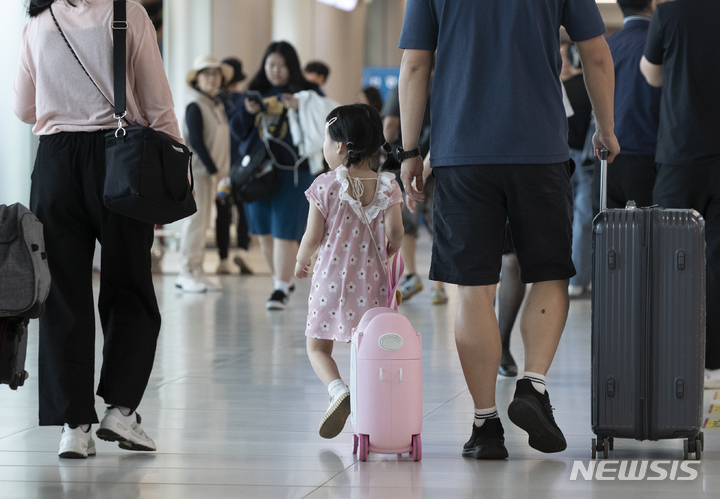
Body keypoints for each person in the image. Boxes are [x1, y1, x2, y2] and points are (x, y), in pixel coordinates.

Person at [398, 0, 619, 459]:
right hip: (539, 148)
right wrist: (606, 128)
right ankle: (532, 385)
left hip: (461, 152)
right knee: (549, 273)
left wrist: (409, 150)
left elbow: (416, 63)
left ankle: (485, 427)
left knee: (474, 289)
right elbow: (595, 53)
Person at [13, 0, 182, 458]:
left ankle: (74, 427)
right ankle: (121, 412)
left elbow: (23, 108)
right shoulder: (126, 13)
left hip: (54, 166)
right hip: (122, 159)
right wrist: (170, 180)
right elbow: (156, 102)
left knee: (62, 292)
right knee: (129, 285)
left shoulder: (38, 20)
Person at [295, 104, 404, 439]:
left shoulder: (325, 184)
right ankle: (370, 407)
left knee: (317, 347)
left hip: (329, 282)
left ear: (340, 146)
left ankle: (337, 389)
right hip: (370, 286)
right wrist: (390, 249)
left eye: (327, 141)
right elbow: (397, 231)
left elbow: (313, 236)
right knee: (366, 348)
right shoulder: (387, 186)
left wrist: (301, 260)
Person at [641, 0, 720, 388]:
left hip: (680, 154)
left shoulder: (670, 14)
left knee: (674, 259)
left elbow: (651, 75)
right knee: (717, 263)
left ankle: (676, 357)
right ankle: (714, 363)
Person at [232, 41, 338, 310]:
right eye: (271, 65)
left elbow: (323, 124)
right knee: (263, 231)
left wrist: (299, 107)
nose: (276, 71)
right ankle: (280, 280)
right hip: (257, 173)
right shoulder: (255, 94)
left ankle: (280, 288)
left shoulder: (307, 93)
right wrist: (247, 112)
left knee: (284, 231)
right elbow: (237, 131)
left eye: (281, 65)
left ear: (292, 66)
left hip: (294, 172)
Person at [591, 0, 662, 217]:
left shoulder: (607, 47)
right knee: (651, 244)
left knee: (610, 243)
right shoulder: (661, 45)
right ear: (654, 3)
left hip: (607, 160)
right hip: (650, 157)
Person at [381, 83, 444, 303]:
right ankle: (439, 286)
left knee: (404, 222)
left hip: (404, 161)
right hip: (440, 162)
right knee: (438, 223)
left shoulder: (402, 88)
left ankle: (411, 275)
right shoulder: (446, 85)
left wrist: (383, 153)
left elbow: (390, 124)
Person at [175, 55, 233, 292]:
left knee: (204, 223)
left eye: (216, 74)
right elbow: (197, 141)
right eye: (206, 74)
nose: (212, 78)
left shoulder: (217, 103)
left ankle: (197, 271)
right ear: (197, 79)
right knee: (195, 222)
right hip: (199, 172)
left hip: (214, 173)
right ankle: (186, 272)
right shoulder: (194, 104)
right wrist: (214, 170)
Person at [561, 41, 594, 298]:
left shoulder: (565, 89)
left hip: (561, 158)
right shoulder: (596, 90)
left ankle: (560, 276)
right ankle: (579, 279)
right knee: (584, 217)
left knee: (562, 216)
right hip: (589, 160)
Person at [216, 56, 253, 276]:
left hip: (222, 163)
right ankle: (243, 250)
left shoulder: (216, 100)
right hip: (243, 163)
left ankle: (223, 259)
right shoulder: (246, 100)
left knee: (223, 210)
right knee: (244, 209)